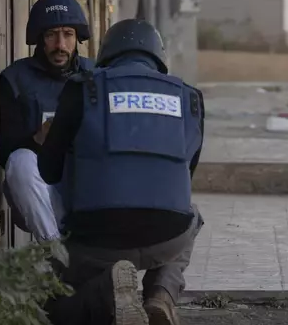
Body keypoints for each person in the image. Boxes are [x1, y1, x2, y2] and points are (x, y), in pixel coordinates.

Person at [38, 19, 205, 325]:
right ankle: (161, 294)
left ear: (106, 53)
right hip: (166, 237)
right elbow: (187, 169)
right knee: (192, 215)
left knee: (55, 308)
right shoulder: (190, 98)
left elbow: (48, 171)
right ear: (159, 56)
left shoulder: (81, 88)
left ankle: (109, 291)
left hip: (94, 240)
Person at [0, 0, 94, 242]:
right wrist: (38, 138)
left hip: (88, 188)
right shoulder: (15, 78)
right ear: (39, 39)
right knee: (20, 160)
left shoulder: (97, 75)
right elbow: (4, 153)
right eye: (51, 35)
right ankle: (55, 253)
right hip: (42, 193)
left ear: (77, 38)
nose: (60, 45)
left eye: (68, 34)